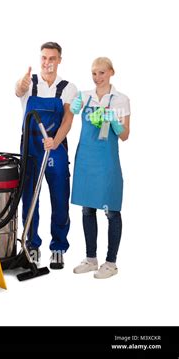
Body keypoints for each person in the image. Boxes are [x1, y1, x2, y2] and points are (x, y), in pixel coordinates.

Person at [15, 42, 78, 269]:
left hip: (55, 148)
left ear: (59, 60)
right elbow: (17, 90)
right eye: (44, 58)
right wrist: (20, 84)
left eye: (52, 58)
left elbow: (68, 118)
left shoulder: (68, 87)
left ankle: (58, 247)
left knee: (60, 199)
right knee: (29, 198)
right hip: (30, 151)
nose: (47, 62)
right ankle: (31, 244)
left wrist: (55, 140)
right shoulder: (29, 83)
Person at [71, 57, 130, 279]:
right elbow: (70, 115)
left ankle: (111, 263)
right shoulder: (84, 97)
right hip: (86, 160)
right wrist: (73, 107)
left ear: (111, 72)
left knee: (111, 211)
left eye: (102, 73)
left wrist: (114, 122)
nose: (97, 77)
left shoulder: (121, 100)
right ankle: (91, 259)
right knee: (87, 209)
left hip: (106, 163)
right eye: (94, 73)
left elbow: (125, 135)